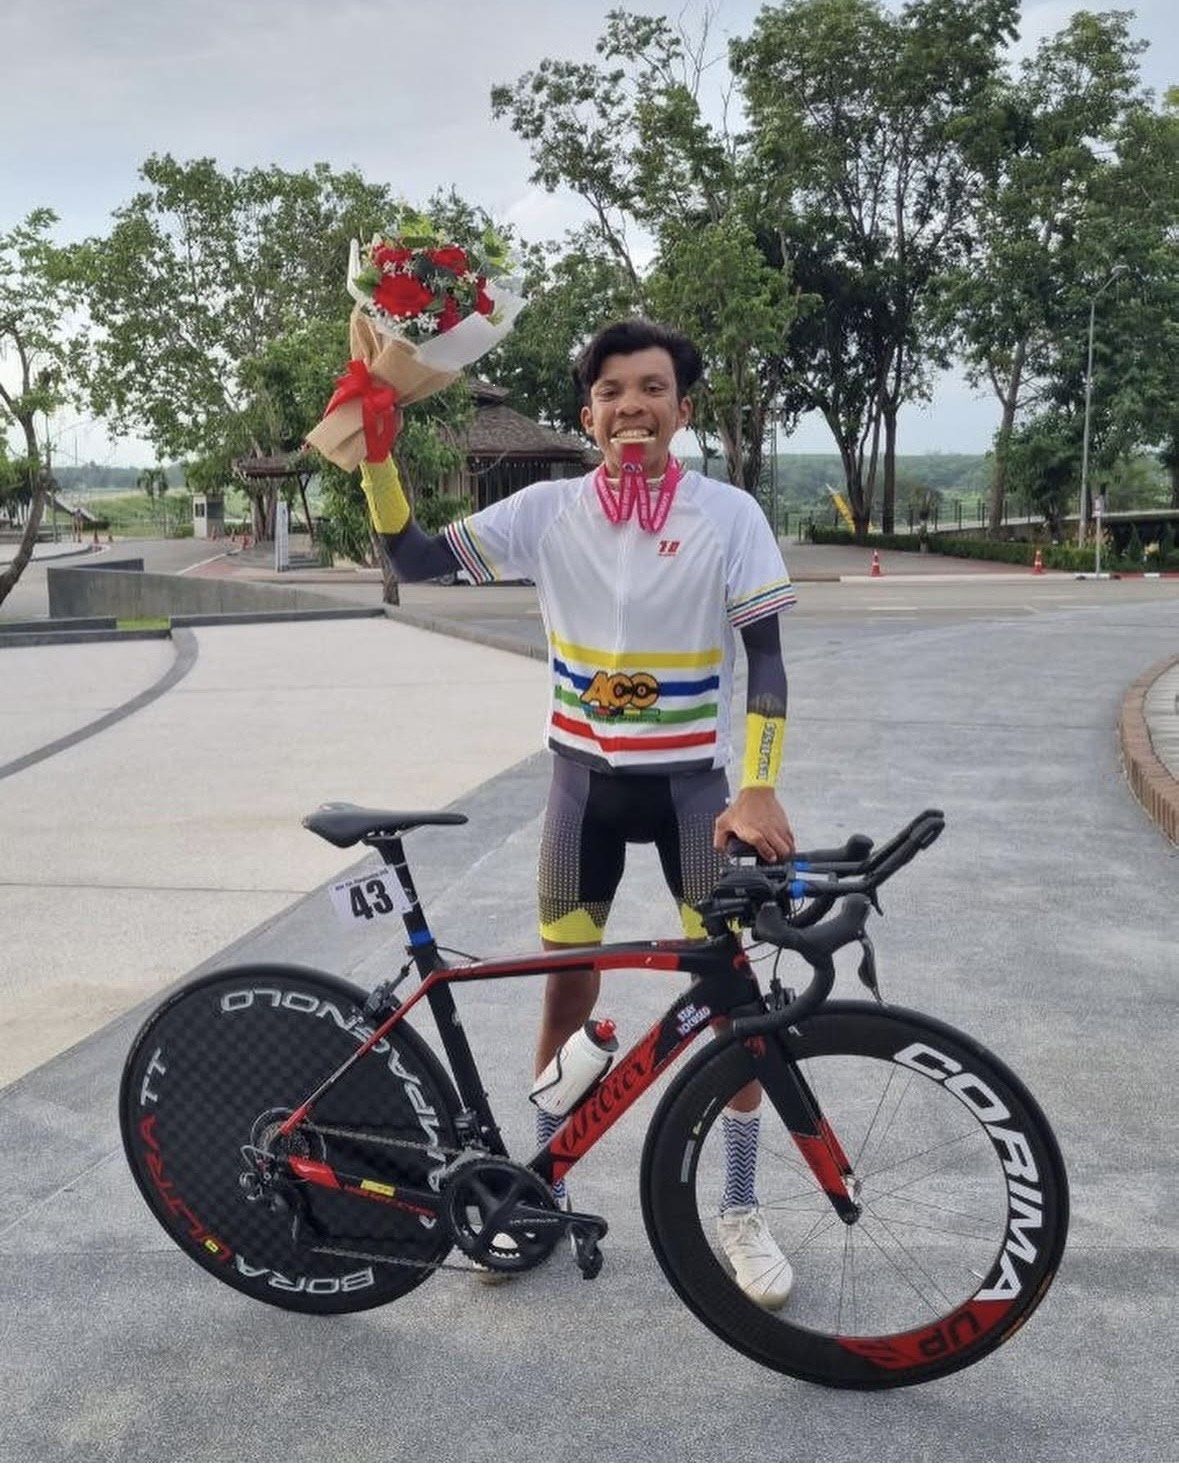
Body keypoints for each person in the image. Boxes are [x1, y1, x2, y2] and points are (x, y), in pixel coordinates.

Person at [358, 319, 797, 1306]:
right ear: (588, 411)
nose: (630, 405)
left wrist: (761, 785)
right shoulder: (547, 510)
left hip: (694, 792)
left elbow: (765, 660)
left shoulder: (729, 514)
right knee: (568, 989)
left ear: (682, 408)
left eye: (652, 388)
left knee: (741, 1010)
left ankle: (738, 1205)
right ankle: (542, 1184)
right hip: (581, 789)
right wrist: (379, 454)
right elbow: (418, 561)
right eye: (609, 390)